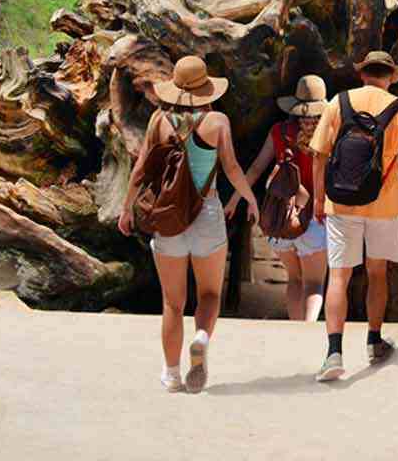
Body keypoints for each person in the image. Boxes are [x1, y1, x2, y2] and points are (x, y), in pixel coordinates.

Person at [118, 56, 259, 394]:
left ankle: (171, 373)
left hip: (168, 218)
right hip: (207, 212)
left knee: (172, 302)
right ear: (206, 88)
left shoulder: (159, 120)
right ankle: (201, 337)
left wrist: (127, 210)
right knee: (210, 294)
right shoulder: (217, 121)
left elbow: (139, 171)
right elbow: (232, 168)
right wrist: (249, 199)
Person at [309, 51, 398, 381]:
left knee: (339, 277)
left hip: (341, 204)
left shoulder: (338, 102)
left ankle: (334, 353)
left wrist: (319, 199)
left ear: (363, 74)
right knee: (377, 273)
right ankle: (374, 342)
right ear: (390, 77)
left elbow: (319, 155)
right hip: (384, 207)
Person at [224, 75, 329, 322]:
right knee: (314, 284)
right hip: (316, 218)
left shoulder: (279, 132)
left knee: (294, 279)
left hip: (281, 218)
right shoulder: (329, 134)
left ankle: (294, 327)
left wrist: (234, 201)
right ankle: (308, 327)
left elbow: (255, 169)